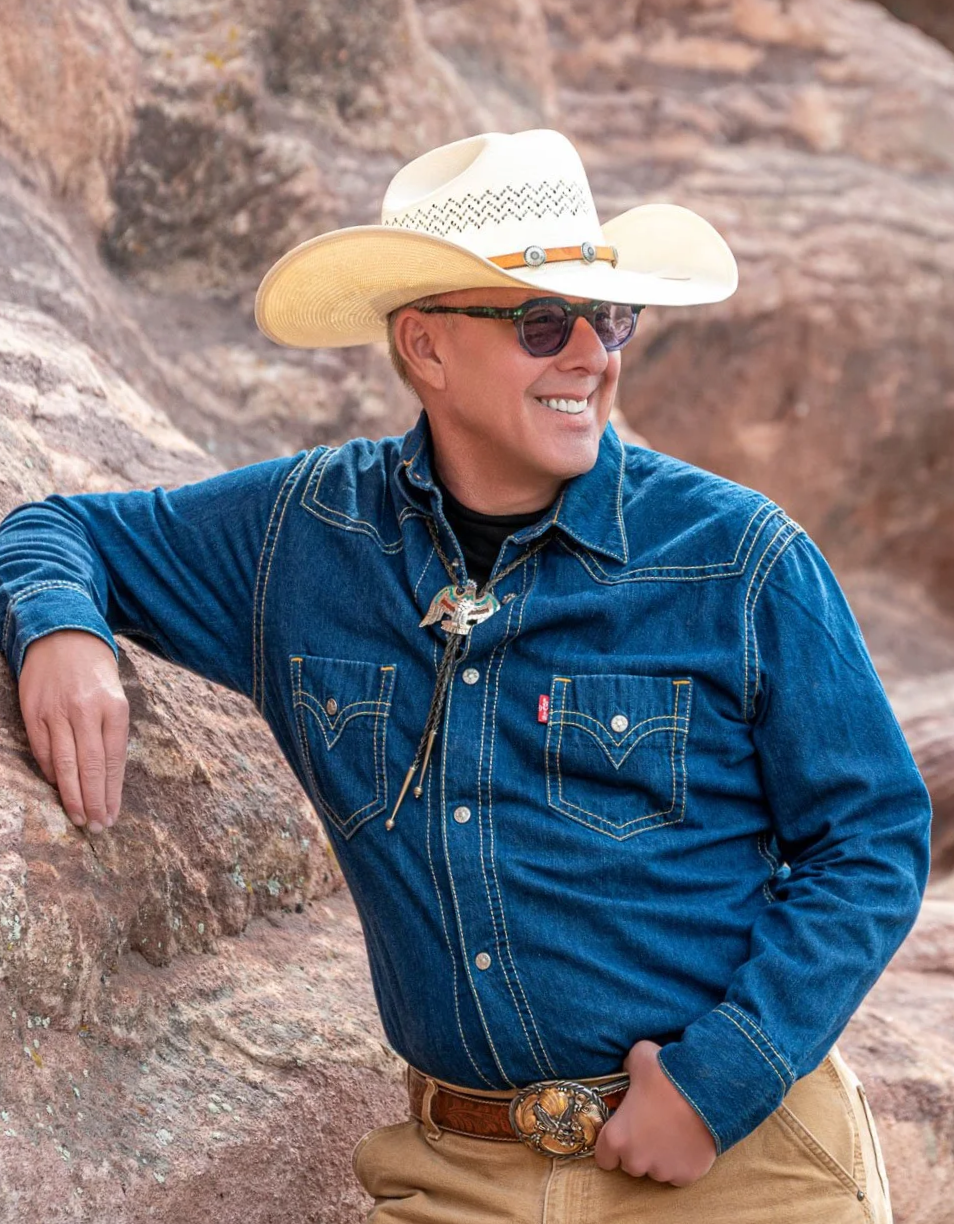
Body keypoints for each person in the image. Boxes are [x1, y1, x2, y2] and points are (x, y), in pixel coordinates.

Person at [0, 129, 930, 1223]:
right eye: (544, 322)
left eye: (611, 316)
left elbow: (869, 840)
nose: (591, 353)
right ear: (427, 347)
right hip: (456, 1174)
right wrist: (62, 629)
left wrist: (718, 1079)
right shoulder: (306, 536)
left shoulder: (739, 559)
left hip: (735, 1163)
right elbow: (56, 531)